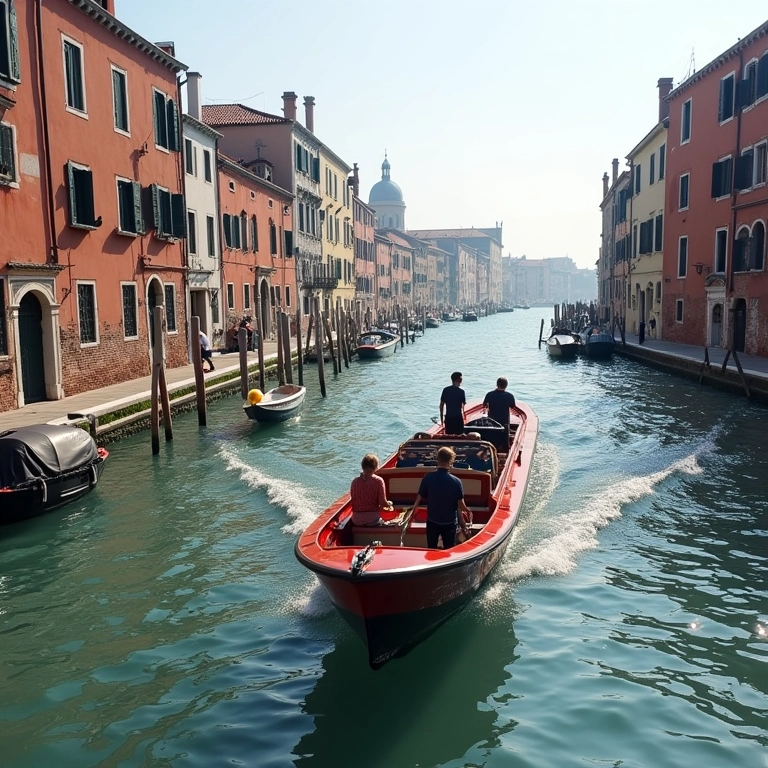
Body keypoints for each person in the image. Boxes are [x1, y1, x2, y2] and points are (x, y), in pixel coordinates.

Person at [412, 446, 471, 549]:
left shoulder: (428, 478)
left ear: (437, 459)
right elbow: (461, 506)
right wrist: (469, 511)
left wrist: (411, 514)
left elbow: (419, 499)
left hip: (432, 521)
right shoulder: (456, 481)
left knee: (431, 548)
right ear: (450, 461)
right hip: (449, 523)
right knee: (449, 549)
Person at [350, 454, 393, 526]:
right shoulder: (378, 481)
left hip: (356, 520)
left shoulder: (355, 481)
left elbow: (354, 500)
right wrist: (389, 504)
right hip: (372, 520)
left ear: (362, 466)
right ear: (376, 467)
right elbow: (382, 503)